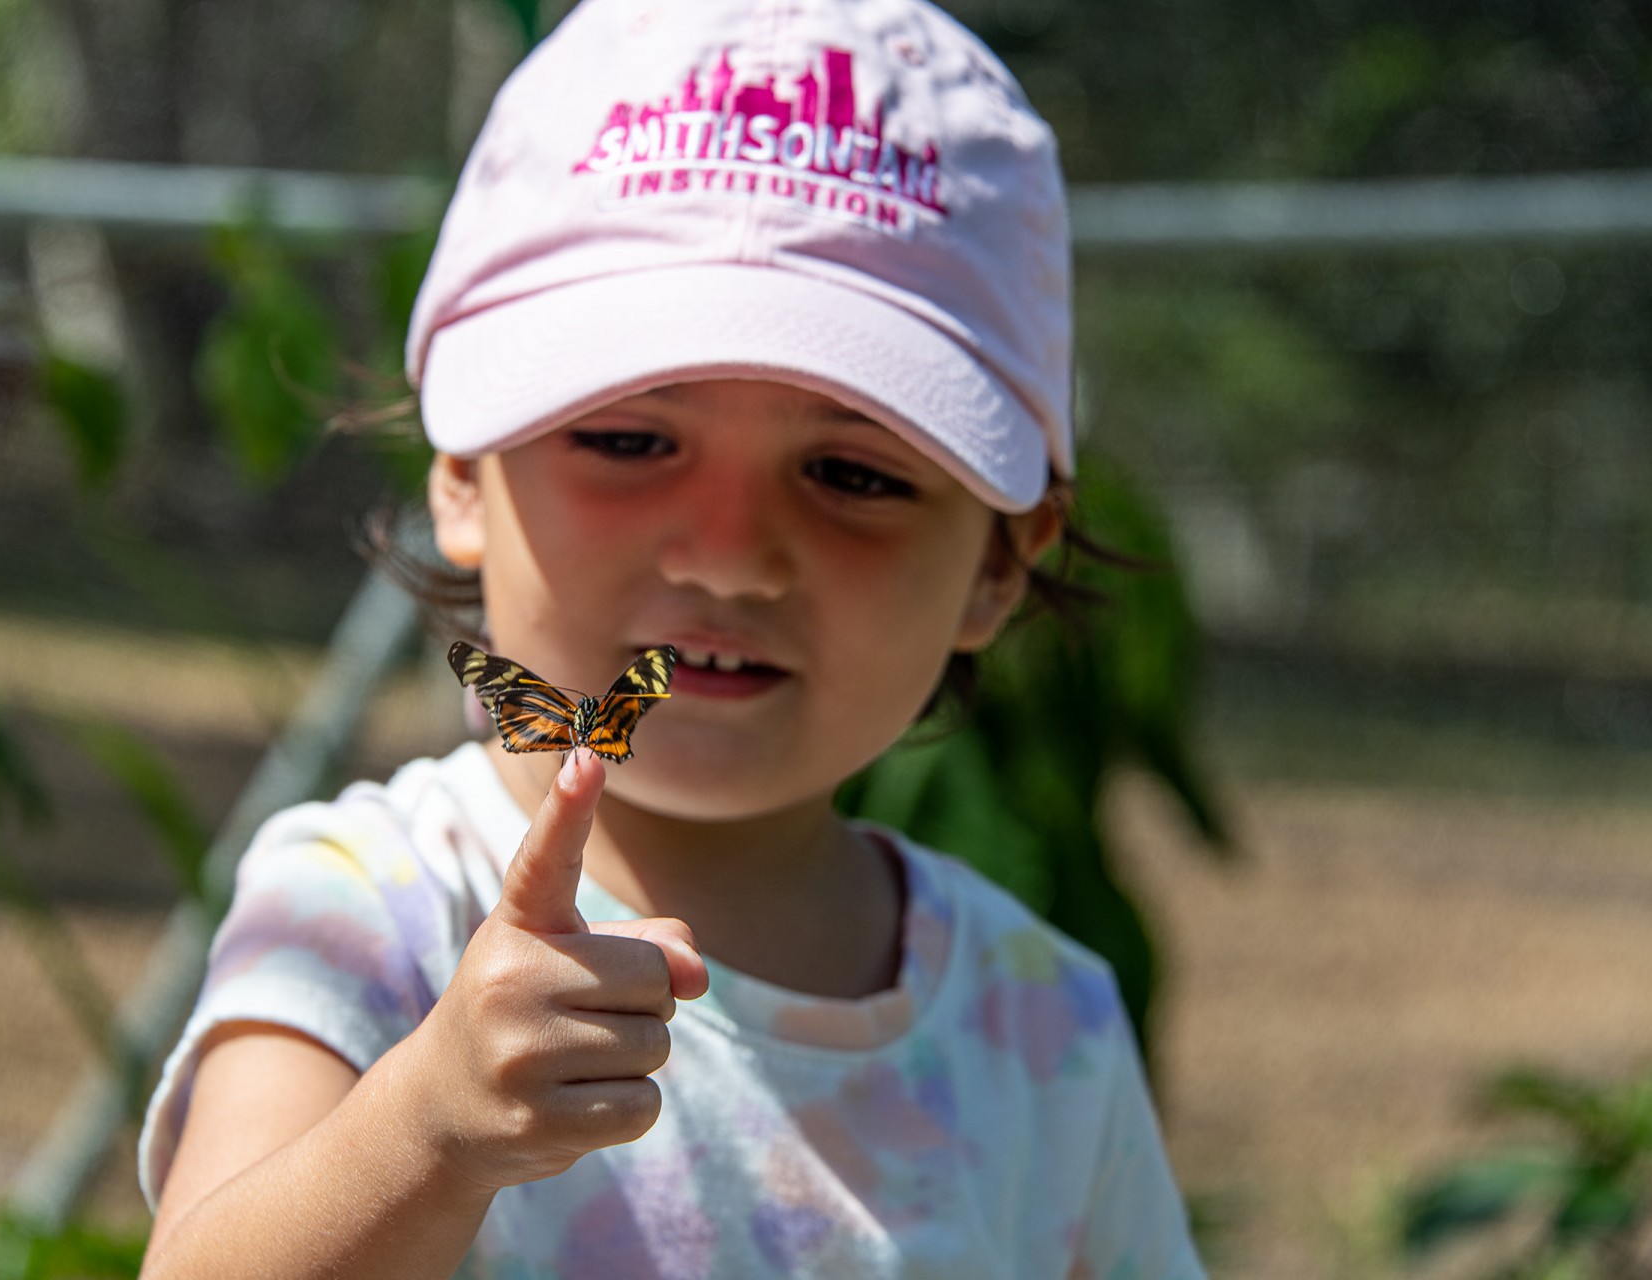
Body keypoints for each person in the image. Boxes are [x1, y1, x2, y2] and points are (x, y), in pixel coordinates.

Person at [136, 1, 1206, 1277]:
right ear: (463, 469)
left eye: (853, 474)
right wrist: (428, 1129)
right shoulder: (369, 912)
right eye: (631, 441)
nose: (728, 552)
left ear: (1000, 559)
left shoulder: (1049, 1028)